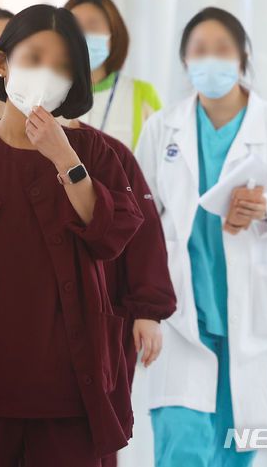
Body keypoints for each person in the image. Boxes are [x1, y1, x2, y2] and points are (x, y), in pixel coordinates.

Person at [0, 4, 143, 467]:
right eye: (34, 58)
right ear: (1, 63)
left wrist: (65, 158)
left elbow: (111, 237)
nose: (47, 74)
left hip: (68, 394)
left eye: (62, 66)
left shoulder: (96, 153)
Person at [135, 7, 267, 467]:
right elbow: (140, 219)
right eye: (199, 50)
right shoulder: (162, 128)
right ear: (185, 61)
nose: (210, 59)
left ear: (242, 58)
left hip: (255, 318)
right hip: (183, 316)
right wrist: (140, 305)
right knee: (180, 444)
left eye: (222, 49)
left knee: (233, 450)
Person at [55, 117, 177, 467]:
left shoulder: (111, 153)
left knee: (94, 432)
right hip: (22, 324)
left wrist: (148, 310)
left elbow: (144, 234)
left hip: (98, 320)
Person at [65, 0, 162, 150]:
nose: (82, 35)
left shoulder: (142, 94)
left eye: (92, 25)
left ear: (114, 35)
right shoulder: (50, 93)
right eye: (75, 27)